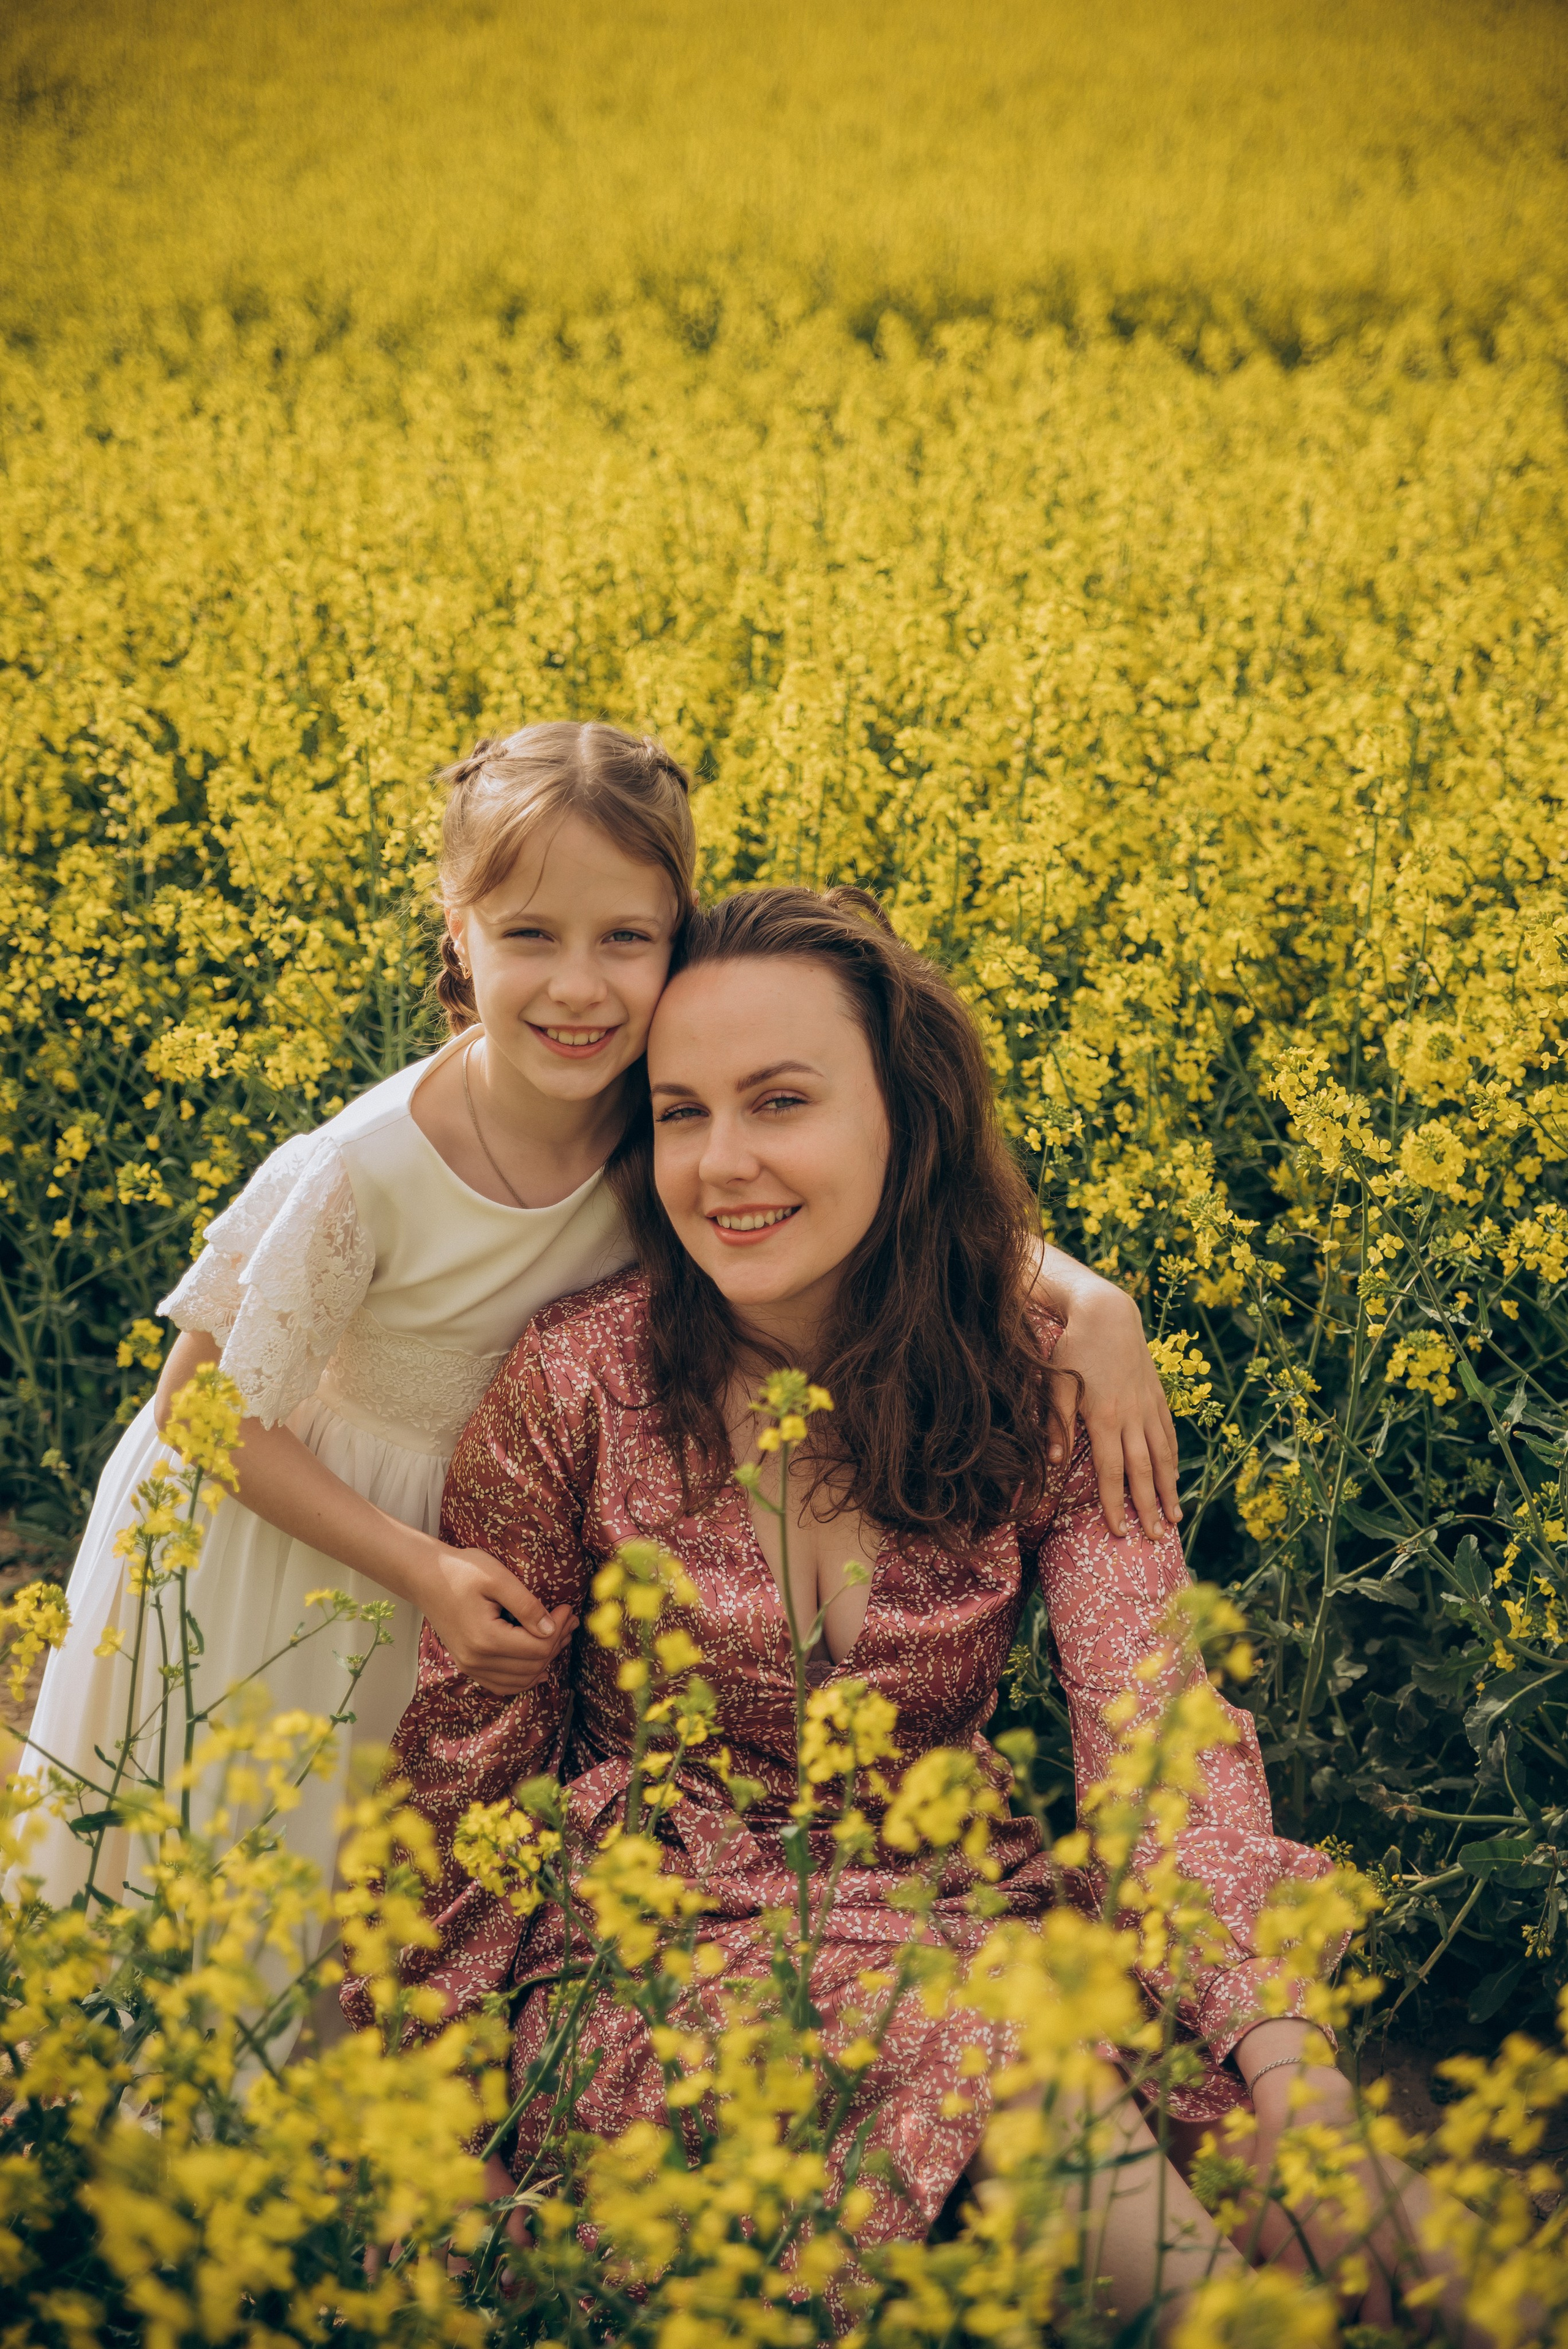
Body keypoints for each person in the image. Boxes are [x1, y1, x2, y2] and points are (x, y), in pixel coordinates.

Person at [381, 885, 1457, 2334]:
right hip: (673, 1972)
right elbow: (464, 1784)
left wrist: (1290, 2064)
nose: (724, 1165)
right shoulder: (571, 1388)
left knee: (1326, 2207)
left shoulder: (1047, 1378)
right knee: (1024, 2078)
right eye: (682, 1111)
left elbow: (1157, 1739)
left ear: (906, 1115)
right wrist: (427, 2147)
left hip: (974, 1922)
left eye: (780, 1101)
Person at [13, 731, 1169, 1944]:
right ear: (454, 932)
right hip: (293, 1532)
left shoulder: (654, 1106)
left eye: (626, 938)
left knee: (384, 1869)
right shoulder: (365, 1168)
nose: (580, 986)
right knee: (240, 1876)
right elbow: (198, 1410)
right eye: (528, 937)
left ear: (678, 933)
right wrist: (416, 1566)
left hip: (493, 1530)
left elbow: (880, 1186)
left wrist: (1088, 1300)